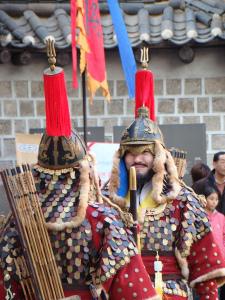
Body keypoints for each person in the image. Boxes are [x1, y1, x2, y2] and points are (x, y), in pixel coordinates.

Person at [0, 41, 159, 300]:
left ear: (39, 170)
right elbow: (134, 292)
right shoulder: (102, 218)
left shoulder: (17, 221)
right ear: (82, 170)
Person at [108, 50, 225, 300]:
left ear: (159, 156)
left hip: (169, 292)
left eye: (145, 153)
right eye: (131, 153)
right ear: (122, 156)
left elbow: (205, 268)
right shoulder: (108, 201)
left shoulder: (183, 201)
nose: (137, 159)